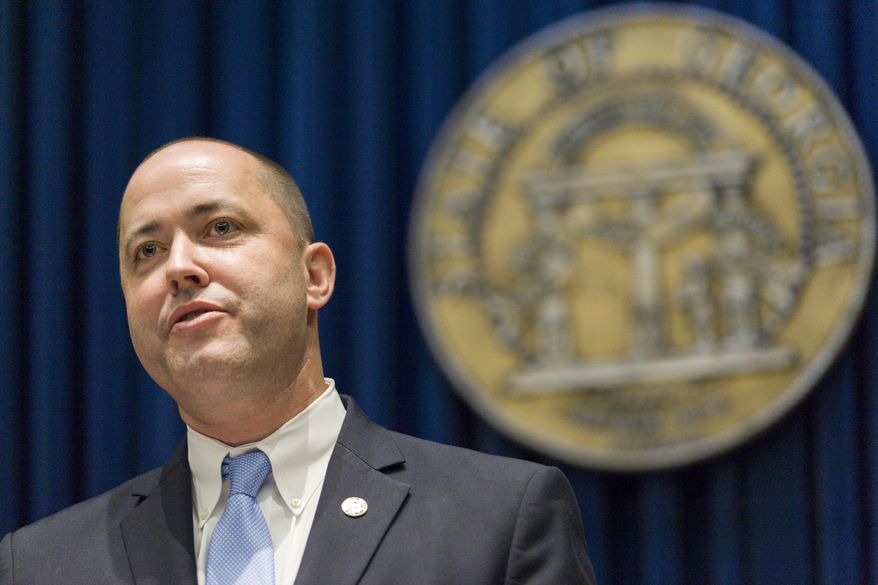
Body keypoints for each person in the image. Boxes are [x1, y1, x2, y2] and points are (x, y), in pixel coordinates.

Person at [0, 137, 597, 584]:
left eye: (221, 227)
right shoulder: (39, 566)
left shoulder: (497, 518)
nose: (179, 267)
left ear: (314, 276)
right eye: (146, 251)